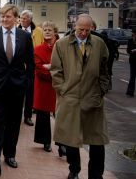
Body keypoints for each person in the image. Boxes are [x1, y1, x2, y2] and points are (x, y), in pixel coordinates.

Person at [50, 14, 109, 179]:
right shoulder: (61, 45)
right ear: (74, 26)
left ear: (92, 28)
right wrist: (63, 90)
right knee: (70, 139)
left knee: (97, 141)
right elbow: (56, 71)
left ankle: (96, 175)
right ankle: (74, 169)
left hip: (93, 99)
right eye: (80, 29)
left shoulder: (99, 44)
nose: (83, 33)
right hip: (70, 99)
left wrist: (101, 90)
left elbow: (105, 70)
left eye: (87, 30)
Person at [0, 4, 35, 176]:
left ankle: (10, 155)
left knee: (13, 124)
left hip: (17, 89)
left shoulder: (25, 37)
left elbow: (31, 64)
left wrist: (26, 83)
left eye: (8, 16)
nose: (4, 19)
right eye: (2, 16)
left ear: (16, 18)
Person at [32, 21, 64, 154]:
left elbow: (68, 66)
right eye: (44, 29)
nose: (47, 32)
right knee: (43, 116)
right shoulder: (38, 49)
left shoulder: (63, 47)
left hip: (60, 87)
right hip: (44, 86)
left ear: (55, 32)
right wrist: (55, 70)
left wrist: (51, 67)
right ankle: (45, 141)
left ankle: (62, 144)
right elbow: (39, 69)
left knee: (62, 115)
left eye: (49, 29)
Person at [18, 10, 44, 127]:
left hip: (31, 66)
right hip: (18, 67)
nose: (22, 20)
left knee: (30, 93)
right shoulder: (15, 30)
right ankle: (16, 116)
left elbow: (40, 46)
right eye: (21, 18)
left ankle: (27, 116)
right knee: (18, 94)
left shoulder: (38, 32)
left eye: (25, 18)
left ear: (30, 20)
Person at [126, 27, 136, 97]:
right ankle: (130, 91)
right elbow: (128, 50)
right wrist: (132, 51)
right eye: (133, 34)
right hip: (132, 60)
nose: (133, 35)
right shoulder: (130, 41)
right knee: (132, 76)